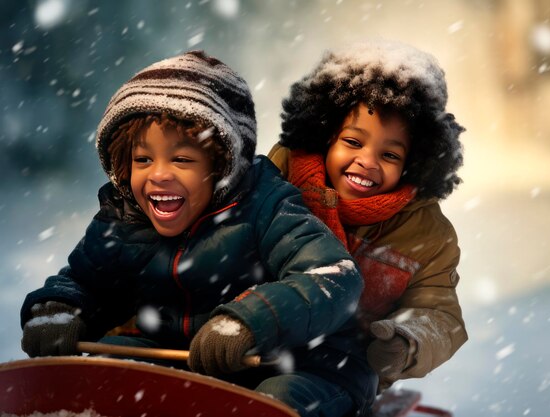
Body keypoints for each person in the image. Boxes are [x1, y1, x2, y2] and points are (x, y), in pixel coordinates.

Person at [20, 51, 376, 417]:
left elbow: (333, 277)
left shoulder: (267, 206)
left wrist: (248, 321)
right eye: (143, 160)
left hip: (297, 364)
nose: (158, 174)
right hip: (182, 357)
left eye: (182, 160)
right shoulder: (124, 216)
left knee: (274, 403)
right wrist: (60, 310)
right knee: (109, 369)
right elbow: (85, 280)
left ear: (223, 167)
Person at [268, 40, 469, 390]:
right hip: (255, 340)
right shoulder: (279, 177)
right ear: (325, 136)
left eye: (390, 155)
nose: (368, 162)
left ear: (414, 164)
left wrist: (406, 342)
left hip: (342, 367)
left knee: (285, 400)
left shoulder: (427, 235)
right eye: (353, 142)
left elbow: (440, 315)